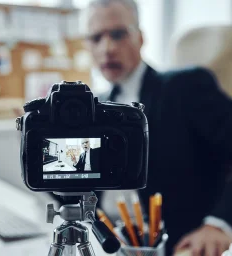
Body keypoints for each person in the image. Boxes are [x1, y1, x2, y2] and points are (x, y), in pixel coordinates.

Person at [83, 0, 232, 255]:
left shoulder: (186, 86)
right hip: (103, 241)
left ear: (140, 38)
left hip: (169, 244)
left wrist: (219, 224)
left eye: (118, 34)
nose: (106, 48)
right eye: (96, 38)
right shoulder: (93, 107)